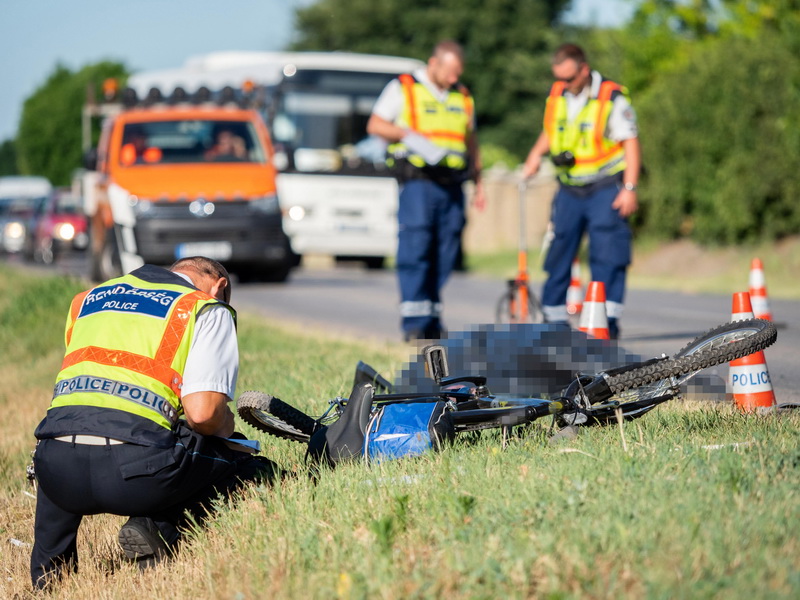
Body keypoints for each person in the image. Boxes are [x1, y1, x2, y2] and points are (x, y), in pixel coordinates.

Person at [30, 256, 277, 589]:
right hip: (135, 477)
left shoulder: (86, 300)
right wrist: (226, 428)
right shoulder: (204, 308)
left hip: (56, 473)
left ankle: (50, 576)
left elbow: (86, 400)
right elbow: (202, 414)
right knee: (239, 461)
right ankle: (157, 527)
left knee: (69, 430)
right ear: (220, 287)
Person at [367, 40, 486, 341]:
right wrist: (407, 134)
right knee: (416, 250)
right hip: (418, 182)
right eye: (450, 72)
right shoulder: (404, 87)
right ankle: (415, 323)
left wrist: (479, 181)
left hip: (452, 185)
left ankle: (432, 317)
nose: (454, 79)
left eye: (458, 73)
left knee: (445, 254)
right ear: (434, 63)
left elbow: (471, 141)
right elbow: (376, 125)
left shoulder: (462, 95)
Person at [521, 43, 641, 339]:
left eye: (570, 78)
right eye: (560, 78)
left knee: (607, 256)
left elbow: (631, 143)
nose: (564, 84)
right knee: (559, 251)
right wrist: (536, 154)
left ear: (584, 69)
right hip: (569, 189)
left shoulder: (611, 98)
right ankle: (554, 323)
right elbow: (551, 131)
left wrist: (630, 187)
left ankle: (605, 324)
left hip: (605, 188)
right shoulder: (558, 94)